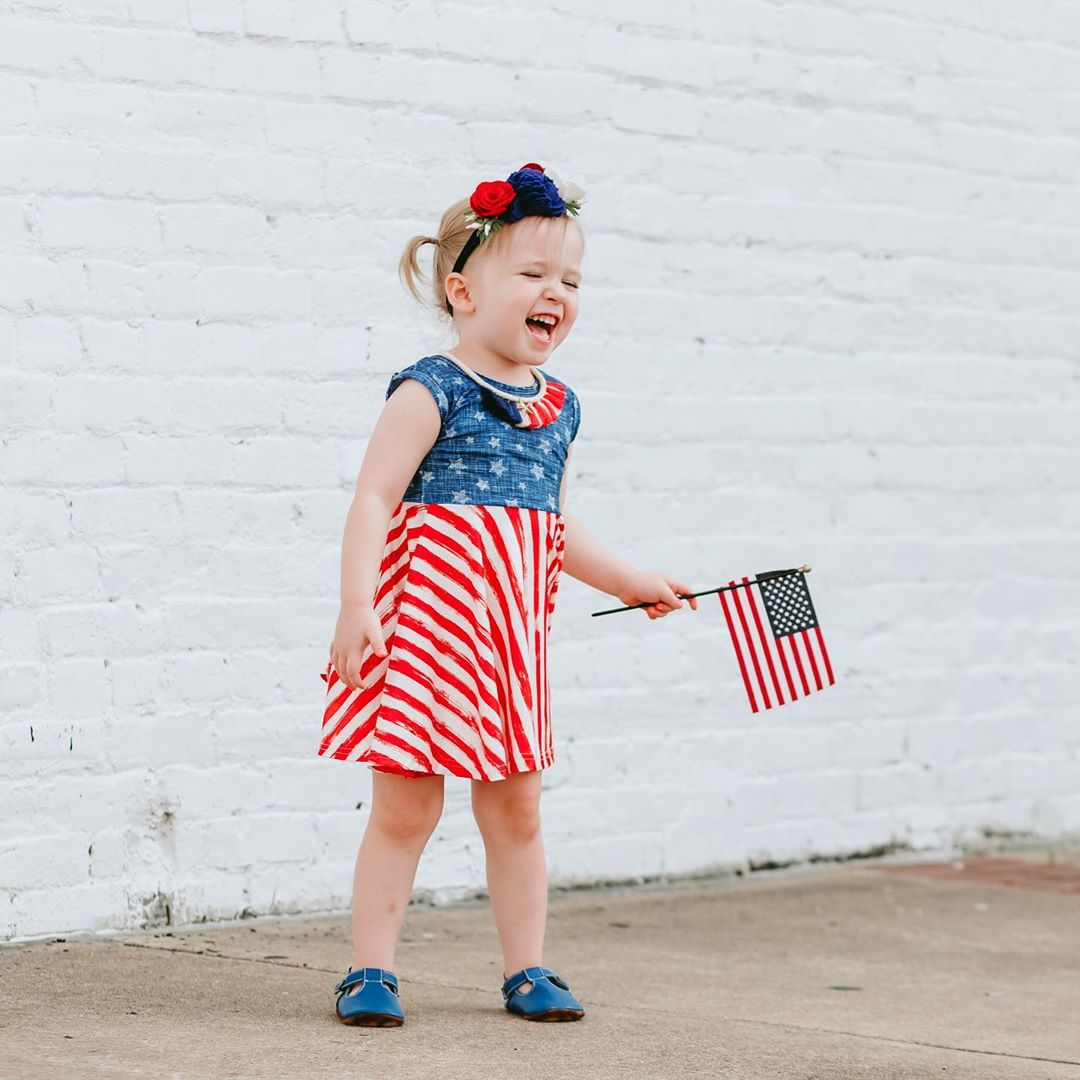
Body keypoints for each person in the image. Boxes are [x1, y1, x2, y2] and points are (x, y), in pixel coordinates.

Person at [318, 163, 698, 1027]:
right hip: (418, 635)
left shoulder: (560, 407)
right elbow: (373, 497)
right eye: (531, 274)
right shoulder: (433, 389)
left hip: (506, 645)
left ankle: (527, 969)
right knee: (407, 805)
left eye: (569, 280)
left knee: (517, 808)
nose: (554, 293)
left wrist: (633, 577)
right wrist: (355, 604)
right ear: (462, 290)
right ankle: (370, 971)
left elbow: (553, 526)